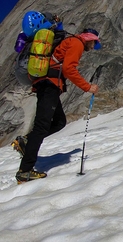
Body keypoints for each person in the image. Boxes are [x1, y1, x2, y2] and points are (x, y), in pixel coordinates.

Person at [12, 27, 102, 184]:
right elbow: (68, 69)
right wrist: (88, 87)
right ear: (89, 39)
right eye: (94, 43)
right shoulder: (77, 43)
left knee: (59, 122)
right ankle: (25, 172)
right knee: (41, 127)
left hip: (49, 85)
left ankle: (26, 141)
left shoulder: (71, 41)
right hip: (49, 85)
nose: (94, 47)